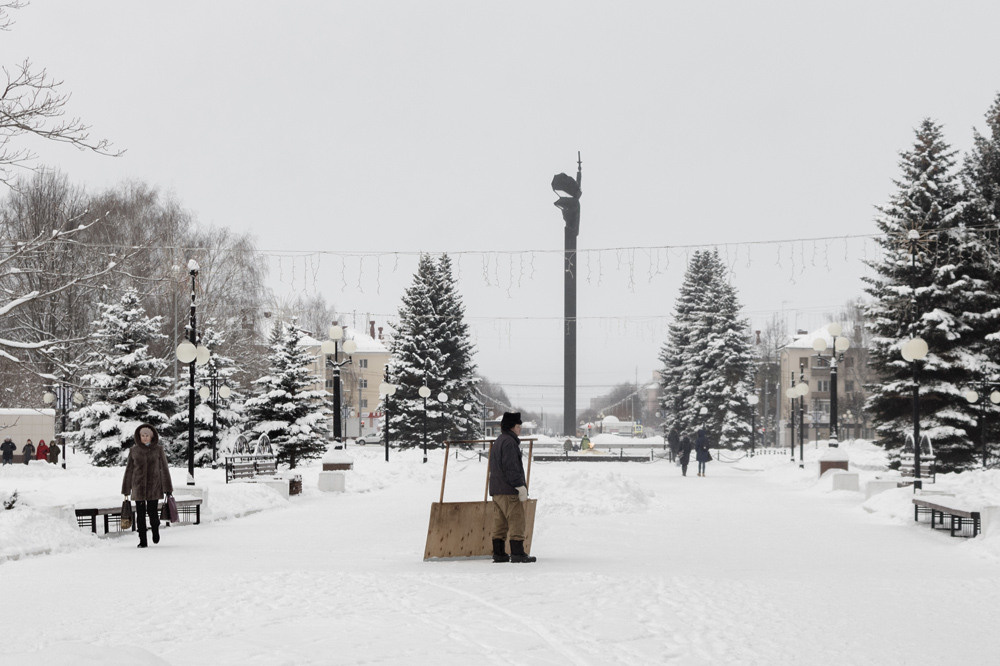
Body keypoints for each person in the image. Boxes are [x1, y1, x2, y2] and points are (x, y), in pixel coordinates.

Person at [488, 411, 536, 563]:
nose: (520, 428)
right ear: (511, 427)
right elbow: (511, 467)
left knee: (500, 523)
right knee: (517, 521)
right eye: (518, 426)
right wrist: (520, 486)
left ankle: (499, 553)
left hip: (497, 490)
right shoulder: (509, 442)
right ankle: (517, 553)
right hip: (509, 490)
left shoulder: (499, 441)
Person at [121, 424, 173, 548]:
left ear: (152, 436)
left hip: (154, 486)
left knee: (152, 513)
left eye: (147, 435)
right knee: (140, 515)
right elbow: (129, 470)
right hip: (138, 487)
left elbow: (164, 469)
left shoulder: (158, 450)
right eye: (142, 435)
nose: (145, 438)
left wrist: (168, 488)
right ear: (139, 437)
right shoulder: (134, 450)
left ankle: (155, 530)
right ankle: (142, 540)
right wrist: (126, 489)